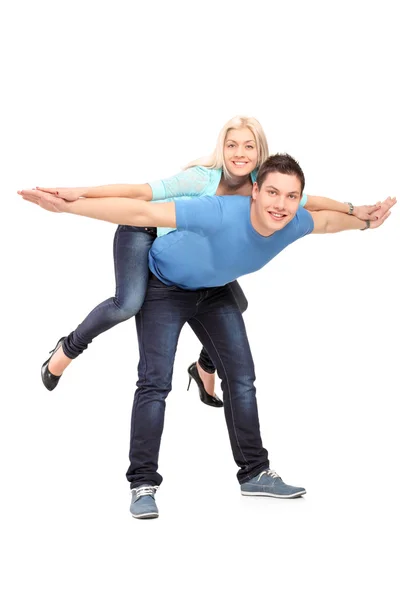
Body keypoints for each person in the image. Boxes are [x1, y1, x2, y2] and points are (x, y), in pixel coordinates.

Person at [19, 154, 396, 519]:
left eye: (291, 196)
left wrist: (363, 220)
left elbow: (328, 222)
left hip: (214, 292)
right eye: (272, 192)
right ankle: (142, 484)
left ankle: (254, 473)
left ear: (300, 200)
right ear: (254, 191)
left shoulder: (294, 221)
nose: (280, 205)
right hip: (163, 286)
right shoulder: (218, 211)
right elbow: (142, 212)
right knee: (154, 383)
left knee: (243, 378)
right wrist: (69, 206)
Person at [34, 116, 379, 407]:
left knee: (236, 303)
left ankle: (202, 366)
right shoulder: (202, 178)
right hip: (144, 230)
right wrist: (80, 195)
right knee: (128, 303)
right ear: (222, 148)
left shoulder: (266, 188)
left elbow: (311, 202)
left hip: (193, 256)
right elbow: (141, 195)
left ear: (261, 152)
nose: (239, 154)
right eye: (232, 145)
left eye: (248, 146)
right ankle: (68, 348)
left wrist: (355, 211)